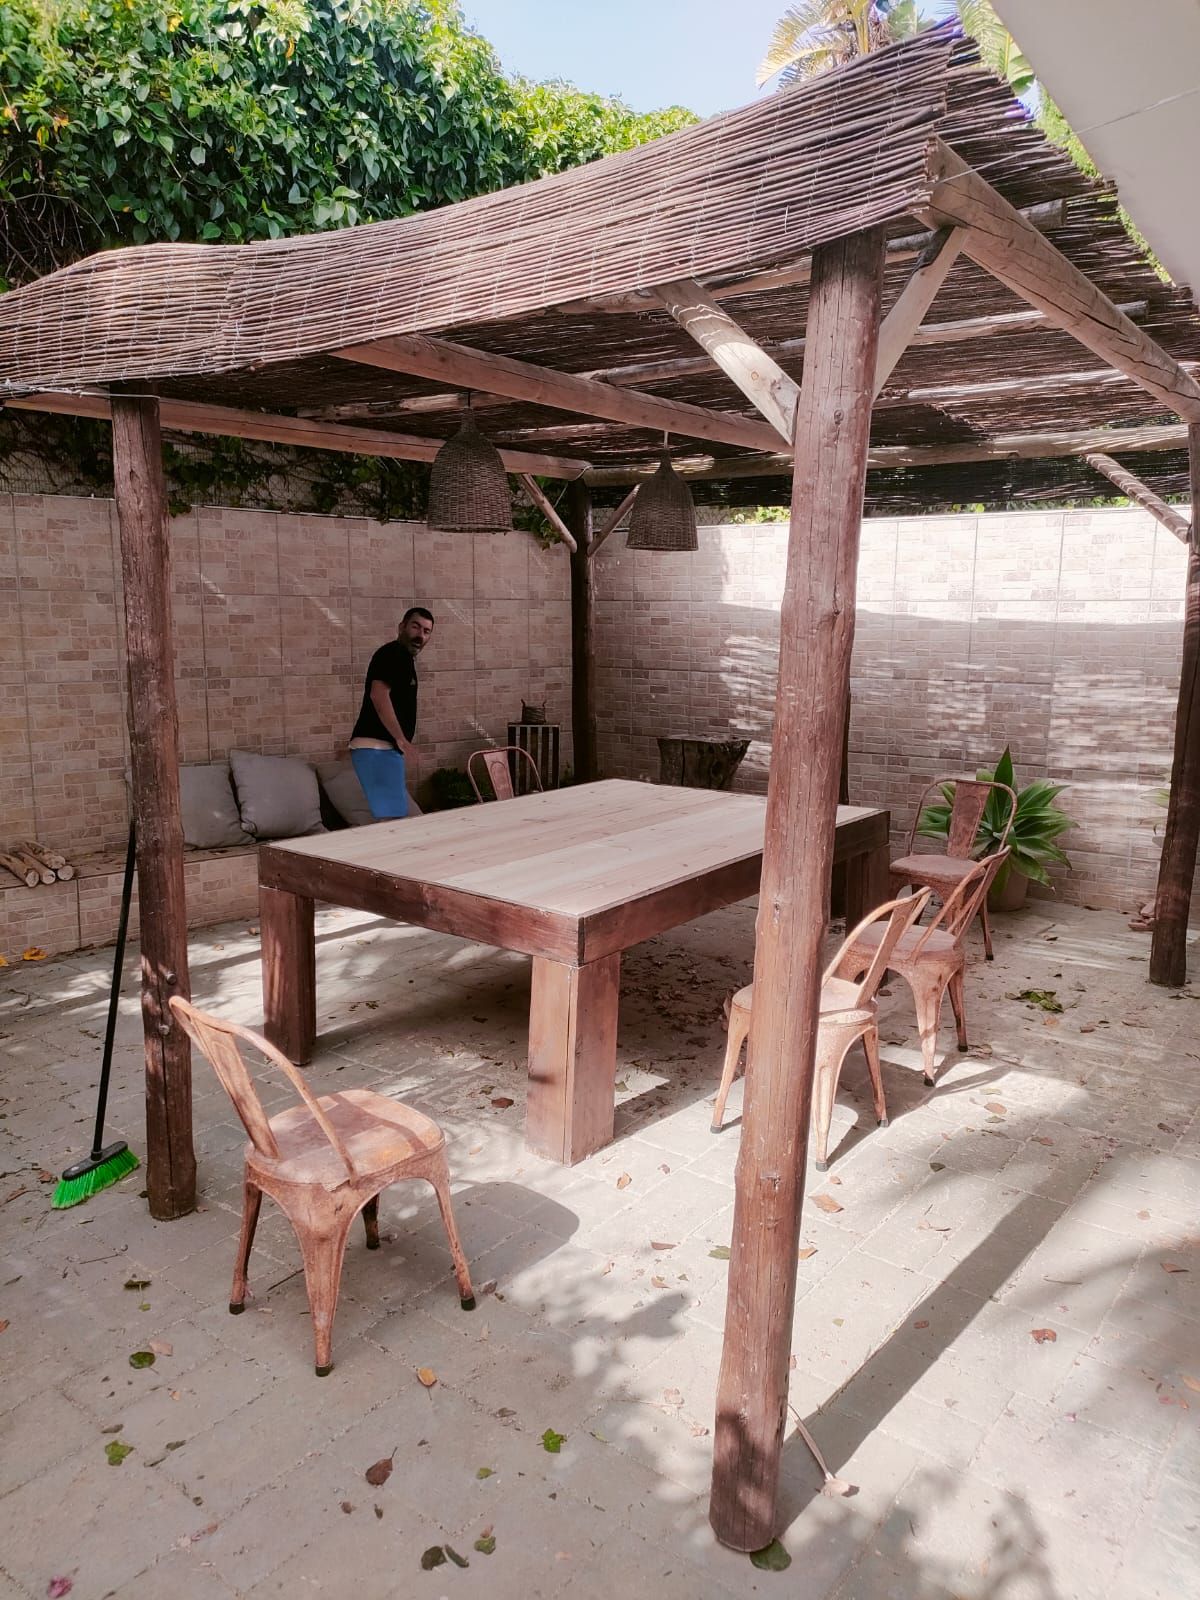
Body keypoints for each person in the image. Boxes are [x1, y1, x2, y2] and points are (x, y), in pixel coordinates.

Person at [348, 607, 434, 820]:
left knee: (392, 819)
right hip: (377, 748)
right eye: (415, 627)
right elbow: (378, 695)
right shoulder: (393, 654)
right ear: (401, 627)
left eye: (426, 631)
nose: (420, 635)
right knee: (393, 821)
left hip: (381, 749)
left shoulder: (403, 658)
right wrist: (401, 739)